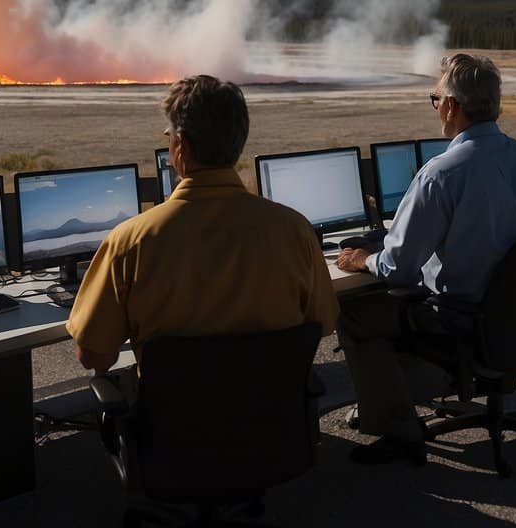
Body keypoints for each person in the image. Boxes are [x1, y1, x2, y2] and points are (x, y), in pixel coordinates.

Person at [335, 53, 516, 465]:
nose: (436, 108)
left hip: (465, 317)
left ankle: (398, 431)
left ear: (452, 106)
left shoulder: (441, 174)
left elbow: (398, 267)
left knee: (357, 314)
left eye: (435, 99)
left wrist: (364, 259)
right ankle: (422, 391)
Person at [67, 74, 340, 373]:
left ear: (180, 146)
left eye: (168, 136)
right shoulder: (295, 231)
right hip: (277, 417)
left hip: (172, 419)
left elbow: (94, 357)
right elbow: (323, 323)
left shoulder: (130, 242)